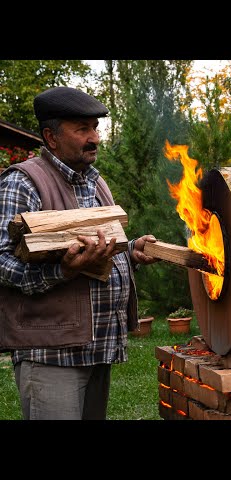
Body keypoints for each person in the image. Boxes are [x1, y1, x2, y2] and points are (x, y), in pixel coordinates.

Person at [0, 86, 160, 420]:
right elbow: (1, 261)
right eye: (82, 128)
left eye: (95, 128)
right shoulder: (24, 181)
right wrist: (63, 271)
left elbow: (103, 247)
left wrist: (131, 251)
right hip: (52, 354)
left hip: (99, 347)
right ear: (51, 137)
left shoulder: (95, 181)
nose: (95, 138)